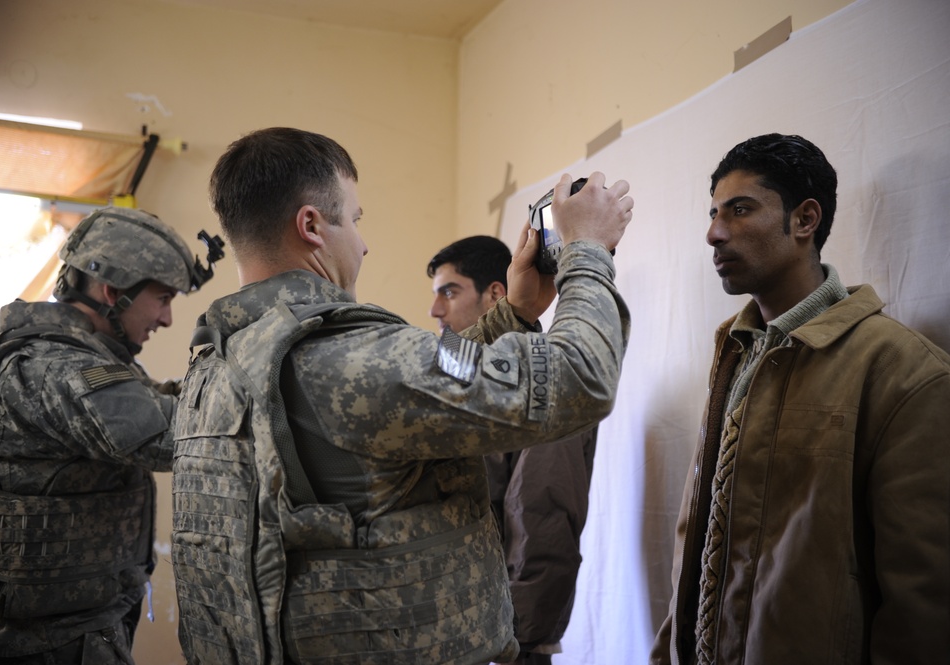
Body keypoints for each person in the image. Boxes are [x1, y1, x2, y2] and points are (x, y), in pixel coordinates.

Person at [171, 127, 633, 665]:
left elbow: (427, 383)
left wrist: (514, 315)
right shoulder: (346, 353)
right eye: (356, 219)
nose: (364, 243)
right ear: (312, 226)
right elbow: (581, 377)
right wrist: (588, 251)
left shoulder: (216, 363)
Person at [650, 134, 950, 665]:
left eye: (740, 211)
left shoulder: (901, 369)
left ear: (805, 220)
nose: (714, 233)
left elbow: (923, 599)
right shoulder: (736, 351)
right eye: (714, 213)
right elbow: (700, 538)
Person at [0, 207, 221, 664]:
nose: (169, 319)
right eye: (163, 298)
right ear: (112, 291)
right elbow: (183, 436)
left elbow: (153, 400)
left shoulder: (31, 348)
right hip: (45, 641)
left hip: (23, 628)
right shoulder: (56, 368)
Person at [427, 235, 598, 665]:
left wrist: (521, 639)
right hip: (462, 626)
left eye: (449, 292)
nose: (435, 310)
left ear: (496, 294)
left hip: (505, 639)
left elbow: (542, 513)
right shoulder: (460, 379)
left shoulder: (538, 379)